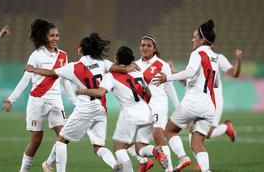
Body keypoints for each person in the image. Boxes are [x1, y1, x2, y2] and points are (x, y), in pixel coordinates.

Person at [24, 33, 138, 172]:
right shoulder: (102, 63)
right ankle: (115, 165)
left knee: (61, 141)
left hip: (84, 109)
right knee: (98, 147)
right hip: (101, 109)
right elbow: (122, 69)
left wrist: (33, 69)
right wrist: (132, 66)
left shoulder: (74, 67)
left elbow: (52, 73)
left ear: (80, 50)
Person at [76, 46, 169, 172]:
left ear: (116, 58)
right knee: (140, 148)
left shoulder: (111, 76)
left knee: (119, 147)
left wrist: (83, 91)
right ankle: (155, 150)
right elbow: (149, 94)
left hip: (129, 115)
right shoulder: (138, 73)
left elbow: (100, 93)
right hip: (147, 113)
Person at [3, 19, 76, 172]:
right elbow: (25, 79)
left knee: (64, 136)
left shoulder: (63, 55)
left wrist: (75, 101)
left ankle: (49, 164)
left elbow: (65, 81)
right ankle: (23, 170)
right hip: (37, 101)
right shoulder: (36, 55)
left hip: (56, 102)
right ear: (44, 37)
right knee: (36, 140)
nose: (55, 38)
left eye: (57, 35)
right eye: (52, 36)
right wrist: (11, 99)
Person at [156, 19, 219, 172]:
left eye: (195, 36)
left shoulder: (197, 53)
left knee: (169, 131)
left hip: (193, 104)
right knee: (197, 144)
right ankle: (206, 171)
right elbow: (214, 83)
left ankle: (183, 157)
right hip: (209, 107)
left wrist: (168, 77)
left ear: (202, 39)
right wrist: (190, 81)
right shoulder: (214, 57)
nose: (192, 39)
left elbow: (191, 72)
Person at [132, 35, 180, 172]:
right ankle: (155, 152)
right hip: (143, 109)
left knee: (157, 134)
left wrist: (178, 108)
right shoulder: (135, 66)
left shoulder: (162, 65)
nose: (145, 48)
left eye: (148, 45)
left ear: (154, 48)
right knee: (139, 147)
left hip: (158, 104)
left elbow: (170, 87)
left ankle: (169, 169)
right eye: (143, 45)